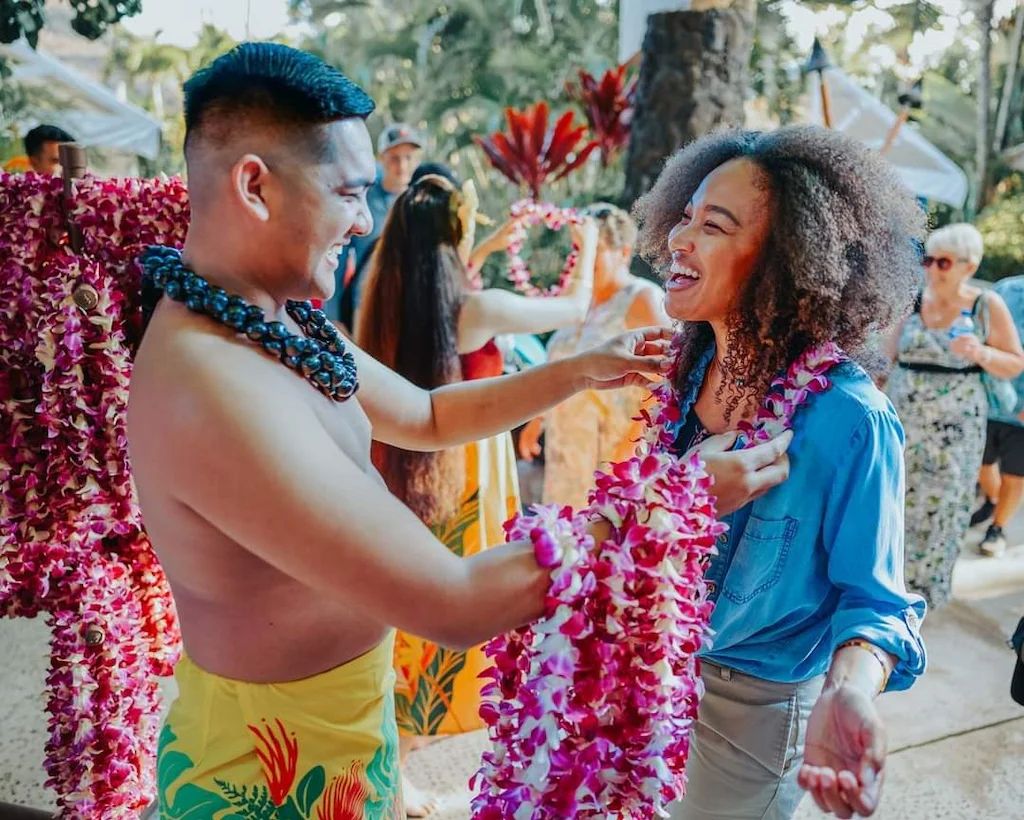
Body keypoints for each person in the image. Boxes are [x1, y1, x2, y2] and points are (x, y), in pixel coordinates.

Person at [127, 44, 792, 818]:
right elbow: (453, 601)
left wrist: (579, 371)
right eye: (350, 193)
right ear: (253, 185)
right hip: (266, 770)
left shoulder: (276, 322)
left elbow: (429, 414)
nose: (364, 220)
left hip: (344, 729)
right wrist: (670, 500)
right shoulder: (216, 385)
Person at [633, 126, 929, 820]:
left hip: (754, 709)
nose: (680, 239)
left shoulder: (852, 418)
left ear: (784, 259)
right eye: (684, 215)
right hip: (654, 670)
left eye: (714, 225)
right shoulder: (685, 371)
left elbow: (878, 602)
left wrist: (847, 689)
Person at [356, 173, 609, 815]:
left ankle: (388, 765)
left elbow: (447, 285)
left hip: (398, 461)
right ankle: (396, 769)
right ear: (456, 234)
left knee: (398, 608)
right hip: (464, 466)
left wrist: (488, 246)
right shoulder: (481, 309)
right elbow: (573, 310)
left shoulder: (384, 292)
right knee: (442, 613)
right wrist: (586, 240)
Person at [887, 224, 1024, 606]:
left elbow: (1014, 362)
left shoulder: (986, 305)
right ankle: (883, 581)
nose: (932, 269)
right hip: (903, 422)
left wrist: (981, 353)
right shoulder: (914, 299)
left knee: (940, 508)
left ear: (969, 265)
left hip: (955, 433)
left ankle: (921, 595)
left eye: (943, 262)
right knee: (892, 497)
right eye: (927, 259)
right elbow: (886, 358)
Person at [517, 202, 669, 508]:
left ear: (623, 253)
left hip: (613, 452)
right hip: (564, 454)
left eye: (593, 249)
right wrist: (538, 420)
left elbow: (667, 378)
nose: (581, 259)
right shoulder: (577, 304)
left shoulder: (642, 299)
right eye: (578, 250)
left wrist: (630, 448)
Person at [329, 122, 424, 331]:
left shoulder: (422, 203)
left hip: (411, 311)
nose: (402, 166)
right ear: (381, 159)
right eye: (394, 158)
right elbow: (339, 256)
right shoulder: (362, 201)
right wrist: (333, 316)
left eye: (408, 158)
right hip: (366, 307)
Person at [969, 274, 1024, 557]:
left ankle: (997, 528)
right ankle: (992, 497)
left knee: (1016, 475)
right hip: (989, 399)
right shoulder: (1005, 289)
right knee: (982, 463)